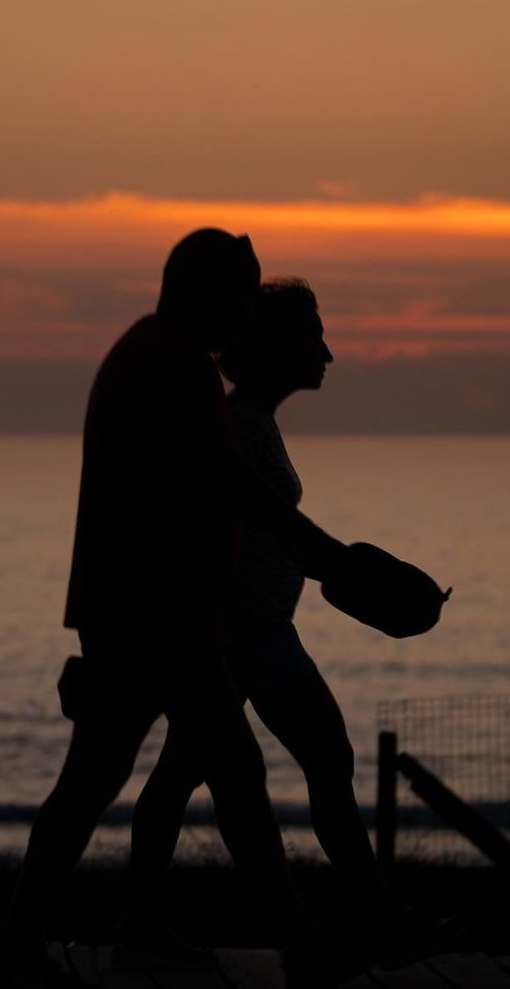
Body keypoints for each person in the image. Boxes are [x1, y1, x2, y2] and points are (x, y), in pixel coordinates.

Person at [0, 230, 356, 989]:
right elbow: (230, 482)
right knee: (230, 775)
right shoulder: (173, 365)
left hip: (141, 614)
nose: (245, 316)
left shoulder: (149, 354)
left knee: (98, 781)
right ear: (205, 292)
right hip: (159, 620)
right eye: (240, 296)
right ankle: (301, 944)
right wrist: (327, 552)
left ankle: (33, 946)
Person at [118, 280, 437, 970]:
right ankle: (356, 917)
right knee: (212, 773)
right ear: (276, 346)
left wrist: (347, 572)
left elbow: (274, 534)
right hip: (234, 635)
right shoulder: (240, 425)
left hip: (262, 632)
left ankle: (367, 912)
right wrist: (350, 569)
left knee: (301, 760)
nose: (327, 351)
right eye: (314, 335)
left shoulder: (253, 421)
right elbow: (254, 523)